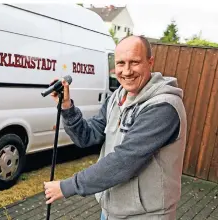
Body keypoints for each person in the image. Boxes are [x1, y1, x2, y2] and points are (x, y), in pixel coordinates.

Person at [44, 35, 187, 220]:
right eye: (120, 63)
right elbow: (87, 137)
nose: (126, 71)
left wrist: (67, 186)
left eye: (134, 62)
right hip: (112, 210)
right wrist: (66, 106)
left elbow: (124, 161)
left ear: (150, 62)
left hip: (145, 215)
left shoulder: (163, 107)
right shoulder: (116, 98)